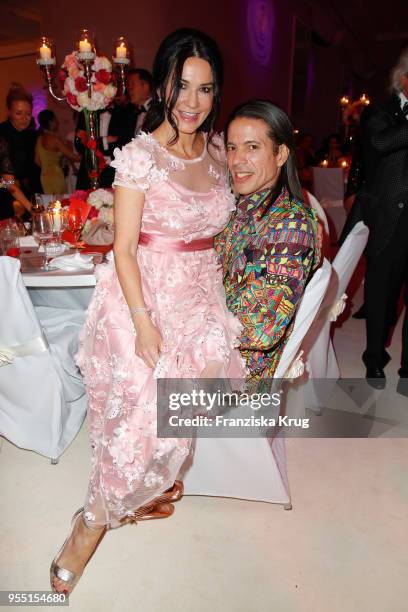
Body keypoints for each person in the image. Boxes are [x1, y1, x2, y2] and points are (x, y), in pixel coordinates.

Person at [50, 28, 245, 595]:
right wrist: (142, 321)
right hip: (142, 290)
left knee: (179, 408)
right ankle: (91, 521)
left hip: (199, 295)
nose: (192, 102)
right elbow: (124, 248)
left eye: (205, 89)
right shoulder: (139, 157)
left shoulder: (215, 154)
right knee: (137, 413)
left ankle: (142, 488)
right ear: (162, 85)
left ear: (216, 94)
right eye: (181, 86)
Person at [215, 100, 319, 385]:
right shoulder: (242, 206)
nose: (237, 160)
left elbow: (260, 329)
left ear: (281, 154)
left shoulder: (292, 223)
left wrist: (183, 321)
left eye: (252, 147)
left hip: (239, 369)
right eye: (232, 147)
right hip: (216, 344)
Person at [353, 47, 408, 389]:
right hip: (389, 217)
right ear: (404, 79)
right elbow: (381, 142)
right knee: (379, 294)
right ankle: (374, 357)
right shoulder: (380, 112)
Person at [0, 84, 39, 218]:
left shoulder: (27, 134)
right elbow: (8, 182)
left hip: (19, 193)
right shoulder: (3, 135)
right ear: (9, 112)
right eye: (18, 113)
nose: (24, 118)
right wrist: (31, 208)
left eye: (28, 114)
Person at [35, 109, 80, 194]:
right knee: (59, 203)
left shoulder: (39, 139)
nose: (57, 121)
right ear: (51, 122)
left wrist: (47, 167)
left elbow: (37, 161)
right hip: (56, 175)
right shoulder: (55, 140)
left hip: (44, 176)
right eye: (55, 119)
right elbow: (73, 157)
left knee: (50, 202)